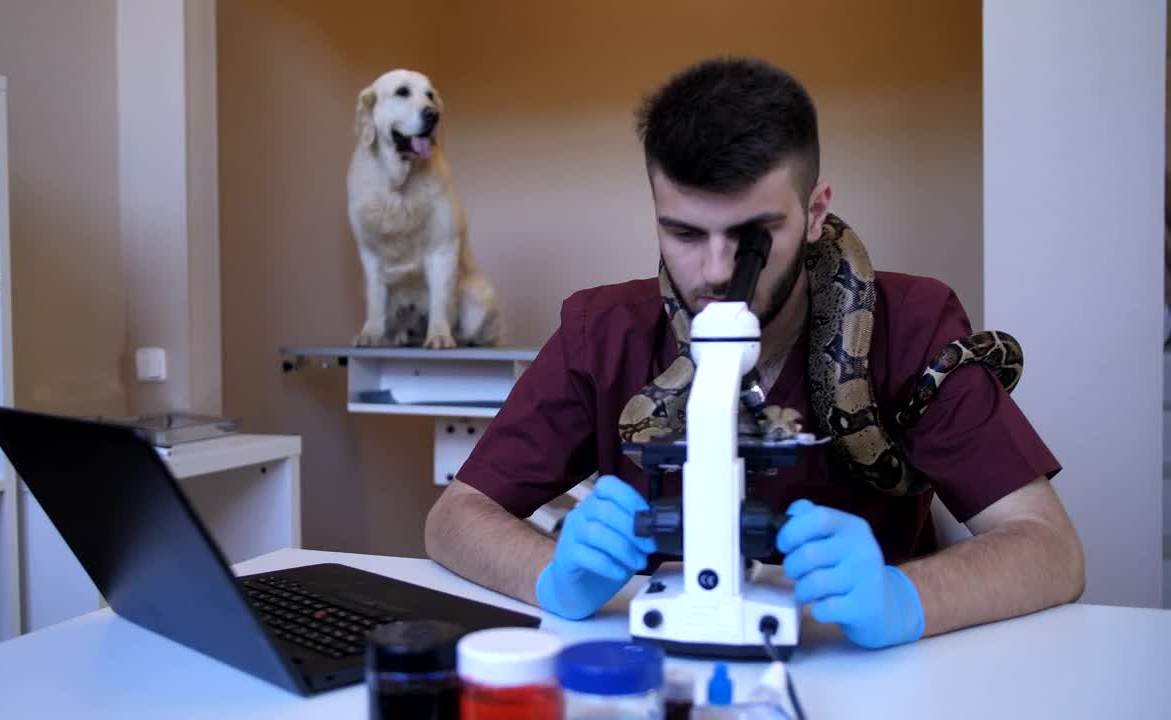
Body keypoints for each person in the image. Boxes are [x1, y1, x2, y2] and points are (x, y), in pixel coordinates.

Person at [424, 56, 1085, 649]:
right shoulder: (602, 329)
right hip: (656, 663)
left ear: (816, 212)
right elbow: (454, 518)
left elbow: (1050, 547)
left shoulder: (912, 322)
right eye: (683, 232)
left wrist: (907, 598)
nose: (715, 271)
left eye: (752, 237)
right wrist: (553, 578)